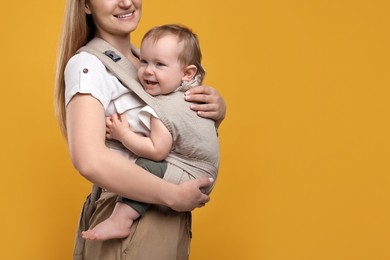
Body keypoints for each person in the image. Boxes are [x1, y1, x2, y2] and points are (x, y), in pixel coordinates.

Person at [54, 1, 226, 259]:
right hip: (130, 219)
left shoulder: (144, 61)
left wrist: (216, 111)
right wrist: (173, 194)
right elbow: (88, 160)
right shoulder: (89, 65)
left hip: (166, 220)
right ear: (86, 5)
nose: (126, 1)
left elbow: (175, 135)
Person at [81, 24, 220, 241]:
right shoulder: (189, 93)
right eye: (144, 61)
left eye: (160, 64)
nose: (148, 70)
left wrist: (123, 135)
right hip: (202, 171)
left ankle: (120, 221)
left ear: (187, 73)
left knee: (146, 168)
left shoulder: (165, 109)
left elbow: (157, 150)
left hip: (192, 174)